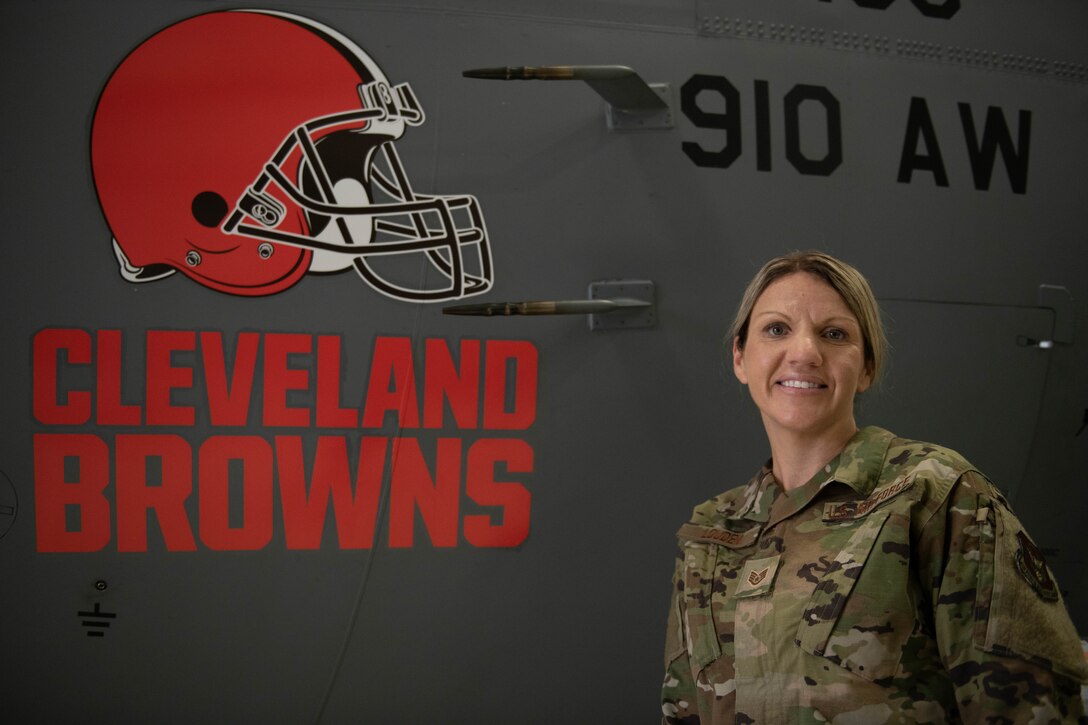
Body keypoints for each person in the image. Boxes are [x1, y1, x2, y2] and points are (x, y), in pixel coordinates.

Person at [661, 251, 1088, 723]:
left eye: (834, 334)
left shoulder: (936, 494)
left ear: (866, 368)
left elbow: (1033, 707)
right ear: (741, 357)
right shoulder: (710, 531)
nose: (804, 352)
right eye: (776, 329)